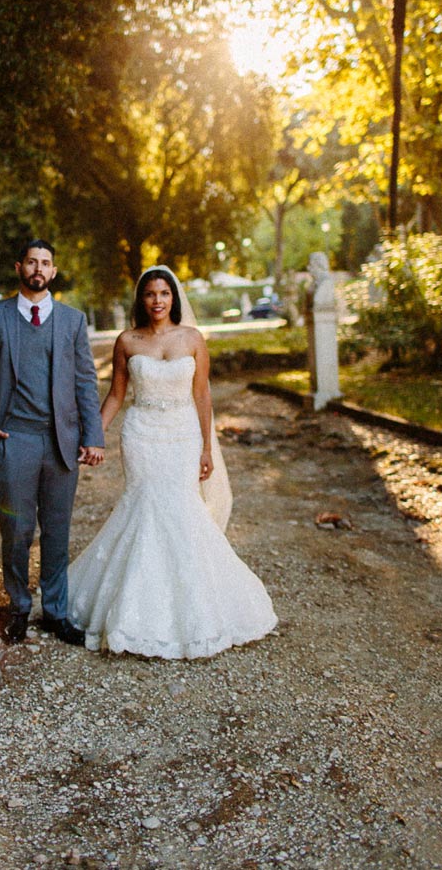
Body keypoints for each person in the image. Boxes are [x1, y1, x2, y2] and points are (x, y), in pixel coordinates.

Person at [67, 266, 277, 659]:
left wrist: (206, 449)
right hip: (142, 433)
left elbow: (202, 398)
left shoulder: (193, 339)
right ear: (141, 299)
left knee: (183, 510)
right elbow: (115, 395)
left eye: (164, 293)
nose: (157, 301)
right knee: (143, 508)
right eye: (150, 294)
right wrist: (94, 435)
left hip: (182, 436)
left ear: (173, 297)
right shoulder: (127, 341)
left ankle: (196, 614)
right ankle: (131, 614)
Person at [0, 240, 105, 646]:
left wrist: (93, 435)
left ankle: (56, 613)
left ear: (54, 271)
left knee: (57, 531)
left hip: (62, 441)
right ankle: (19, 608)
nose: (38, 268)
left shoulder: (73, 322)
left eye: (45, 263)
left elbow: (85, 382)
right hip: (14, 440)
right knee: (17, 530)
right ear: (19, 267)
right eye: (31, 262)